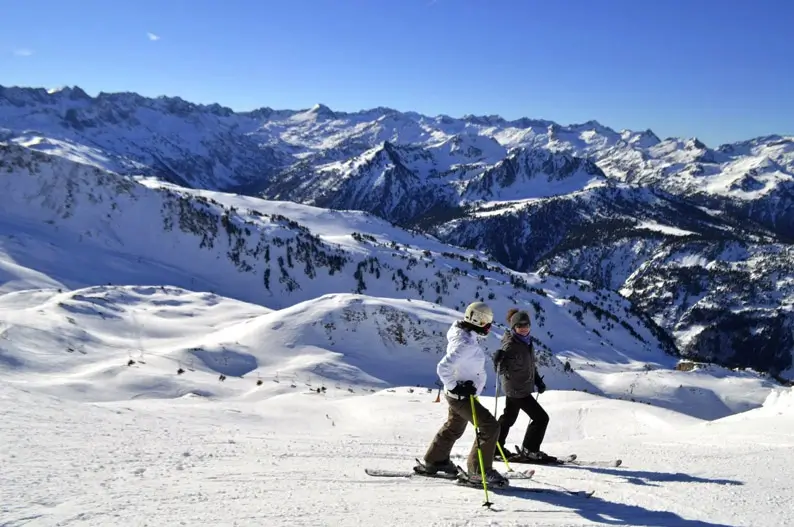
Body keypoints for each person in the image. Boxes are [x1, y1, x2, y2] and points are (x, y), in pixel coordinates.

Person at [418, 301, 508, 487]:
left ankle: (435, 460)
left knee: (454, 427)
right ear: (480, 321)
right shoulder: (465, 344)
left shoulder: (465, 336)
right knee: (489, 427)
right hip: (460, 396)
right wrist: (456, 386)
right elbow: (443, 367)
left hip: (460, 394)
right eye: (488, 324)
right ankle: (478, 471)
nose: (490, 328)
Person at [493, 308, 555, 463]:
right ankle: (530, 450)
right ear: (514, 327)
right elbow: (499, 370)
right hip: (517, 390)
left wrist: (537, 380)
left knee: (508, 418)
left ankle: (494, 447)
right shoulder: (510, 345)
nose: (523, 328)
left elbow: (529, 365)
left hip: (521, 387)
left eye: (526, 325)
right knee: (541, 418)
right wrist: (498, 360)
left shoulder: (526, 341)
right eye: (520, 326)